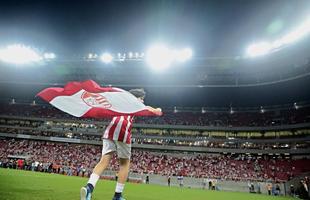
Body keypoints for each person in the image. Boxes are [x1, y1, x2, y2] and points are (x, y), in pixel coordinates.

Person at [80, 89, 162, 200]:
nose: (142, 101)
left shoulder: (120, 101)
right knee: (124, 164)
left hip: (110, 130)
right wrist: (158, 109)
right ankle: (117, 195)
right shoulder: (135, 103)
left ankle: (89, 187)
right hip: (123, 130)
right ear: (136, 98)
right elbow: (155, 111)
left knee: (103, 161)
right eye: (142, 98)